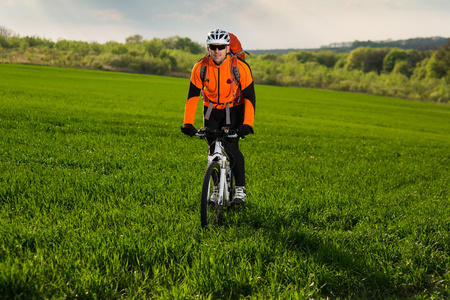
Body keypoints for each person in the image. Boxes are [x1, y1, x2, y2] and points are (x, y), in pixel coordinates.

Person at [181, 29, 256, 205]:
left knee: (231, 147)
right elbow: (192, 97)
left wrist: (247, 123)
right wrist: (187, 123)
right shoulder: (200, 67)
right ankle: (216, 188)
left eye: (221, 47)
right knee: (213, 149)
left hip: (234, 110)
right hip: (211, 111)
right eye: (213, 47)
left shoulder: (240, 67)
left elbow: (250, 98)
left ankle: (240, 189)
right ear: (208, 48)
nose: (217, 51)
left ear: (228, 48)